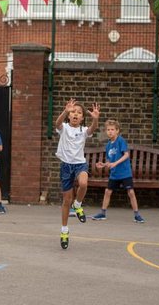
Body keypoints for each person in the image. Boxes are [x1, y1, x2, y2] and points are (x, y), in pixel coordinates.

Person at [55, 98, 100, 250]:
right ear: (69, 115)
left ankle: (78, 204)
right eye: (73, 112)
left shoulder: (83, 131)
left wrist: (95, 119)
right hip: (66, 166)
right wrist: (65, 111)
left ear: (82, 118)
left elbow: (92, 129)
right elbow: (57, 124)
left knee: (83, 183)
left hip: (79, 164)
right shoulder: (65, 128)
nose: (75, 114)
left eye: (79, 113)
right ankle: (64, 230)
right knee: (66, 200)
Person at [92, 119, 145, 223]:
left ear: (117, 131)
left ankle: (137, 215)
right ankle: (102, 213)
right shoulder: (108, 145)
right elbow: (109, 160)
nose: (110, 131)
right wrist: (103, 165)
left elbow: (126, 155)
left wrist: (115, 163)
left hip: (125, 173)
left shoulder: (120, 140)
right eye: (108, 130)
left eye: (112, 129)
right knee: (107, 191)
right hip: (114, 174)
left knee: (131, 192)